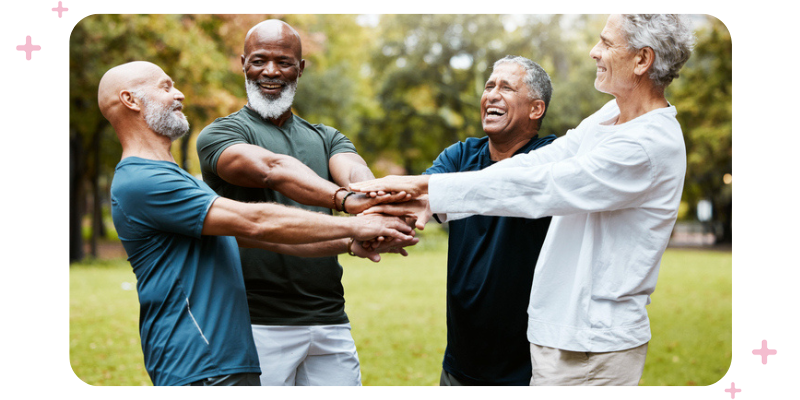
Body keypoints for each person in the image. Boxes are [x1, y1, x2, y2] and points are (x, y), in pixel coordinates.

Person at [353, 14, 695, 386]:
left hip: (591, 343)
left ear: (642, 60)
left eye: (607, 43)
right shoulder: (612, 115)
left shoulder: (647, 144)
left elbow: (545, 185)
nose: (594, 52)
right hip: (558, 335)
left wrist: (430, 191)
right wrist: (432, 197)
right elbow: (544, 161)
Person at [99, 61, 416, 386]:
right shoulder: (142, 180)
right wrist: (355, 223)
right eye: (165, 87)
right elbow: (254, 221)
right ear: (131, 100)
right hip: (198, 364)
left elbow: (257, 239)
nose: (178, 94)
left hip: (228, 360)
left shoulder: (175, 178)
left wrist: (348, 244)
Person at [196, 20, 409, 386]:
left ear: (301, 68)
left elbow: (358, 175)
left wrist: (379, 197)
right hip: (254, 322)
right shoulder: (221, 133)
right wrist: (345, 200)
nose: (271, 71)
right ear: (243, 63)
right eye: (259, 60)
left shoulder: (326, 137)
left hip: (329, 319)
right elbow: (271, 170)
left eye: (284, 61)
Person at [419, 56, 555, 385]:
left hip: (529, 368)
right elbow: (422, 197)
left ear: (536, 109)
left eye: (506, 87)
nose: (491, 95)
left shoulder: (550, 157)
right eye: (489, 86)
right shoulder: (460, 155)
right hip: (460, 365)